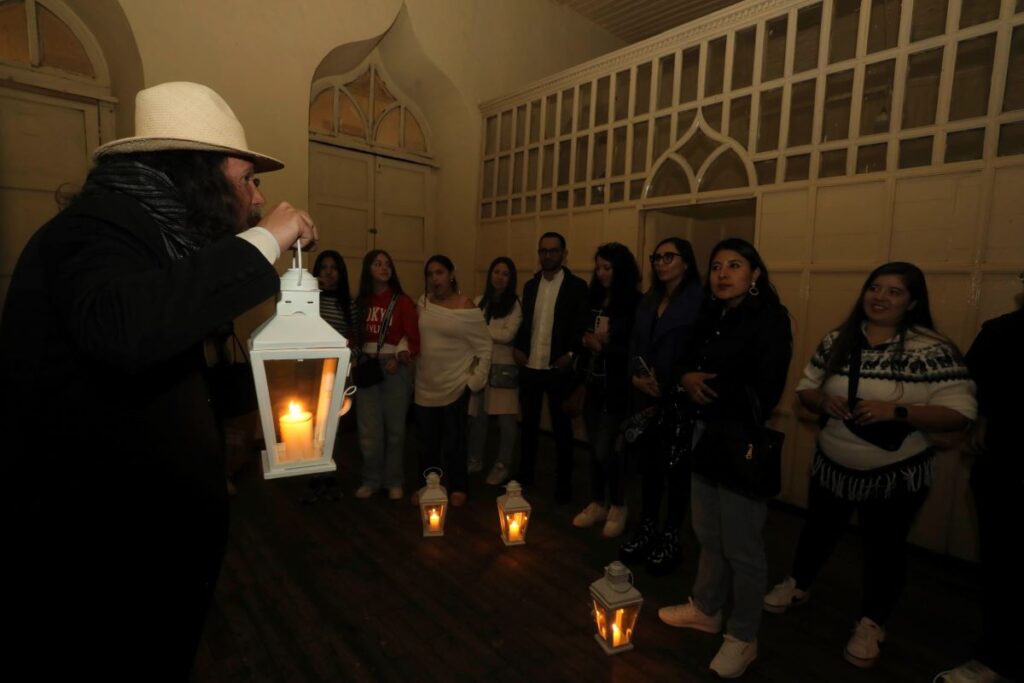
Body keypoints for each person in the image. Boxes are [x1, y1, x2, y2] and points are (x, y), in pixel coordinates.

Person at [0, 81, 317, 676]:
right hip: (96, 566)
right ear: (196, 172)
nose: (258, 196)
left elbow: (170, 383)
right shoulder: (90, 231)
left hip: (148, 559)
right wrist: (265, 240)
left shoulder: (155, 248)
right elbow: (122, 331)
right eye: (249, 178)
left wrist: (291, 389)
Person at [762, 261, 976, 671]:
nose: (880, 297)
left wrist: (896, 411)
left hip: (896, 471)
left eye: (894, 291)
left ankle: (872, 622)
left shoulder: (931, 348)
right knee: (818, 531)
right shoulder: (838, 340)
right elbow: (806, 388)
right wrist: (824, 402)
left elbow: (959, 413)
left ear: (913, 301)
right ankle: (799, 584)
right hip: (832, 463)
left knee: (885, 547)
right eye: (874, 288)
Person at [658, 238, 792, 679]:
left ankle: (743, 636)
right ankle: (706, 608)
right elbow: (682, 359)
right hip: (703, 432)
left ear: (755, 274)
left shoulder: (770, 319)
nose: (723, 273)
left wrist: (705, 383)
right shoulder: (712, 313)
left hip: (741, 441)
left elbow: (766, 389)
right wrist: (685, 376)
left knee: (744, 546)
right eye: (716, 266)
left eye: (735, 265)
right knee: (707, 531)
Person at [938, 272, 1022, 683]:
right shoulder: (1001, 332)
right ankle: (996, 657)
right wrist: (980, 421)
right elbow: (966, 392)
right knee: (1004, 568)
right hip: (1005, 471)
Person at [618, 237, 703, 574]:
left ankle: (671, 538)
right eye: (657, 257)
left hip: (680, 400)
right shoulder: (649, 300)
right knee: (650, 470)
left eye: (670, 257)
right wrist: (636, 377)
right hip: (646, 397)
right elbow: (635, 345)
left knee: (677, 474)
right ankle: (647, 528)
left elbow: (697, 350)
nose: (662, 262)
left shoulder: (699, 301)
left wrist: (670, 381)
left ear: (686, 262)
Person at [571, 243, 642, 538]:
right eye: (598, 267)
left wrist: (606, 344)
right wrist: (586, 340)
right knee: (595, 447)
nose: (601, 273)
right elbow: (577, 329)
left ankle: (618, 504)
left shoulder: (635, 302)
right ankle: (598, 501)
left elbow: (636, 347)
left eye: (607, 267)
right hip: (592, 383)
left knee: (609, 448)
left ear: (620, 269)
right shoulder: (594, 296)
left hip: (617, 386)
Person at [513, 232, 589, 503]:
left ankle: (564, 483)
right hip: (531, 366)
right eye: (543, 250)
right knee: (529, 426)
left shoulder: (577, 287)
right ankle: (525, 475)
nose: (548, 255)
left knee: (561, 430)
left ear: (564, 254)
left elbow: (581, 325)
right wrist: (518, 348)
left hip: (557, 368)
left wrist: (570, 354)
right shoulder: (530, 286)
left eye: (553, 250)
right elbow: (528, 323)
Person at [414, 255, 492, 506]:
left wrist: (474, 381)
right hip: (425, 383)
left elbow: (485, 347)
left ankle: (458, 486)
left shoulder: (466, 306)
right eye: (429, 274)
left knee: (454, 442)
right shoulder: (423, 303)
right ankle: (429, 485)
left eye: (439, 272)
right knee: (427, 443)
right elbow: (415, 335)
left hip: (456, 385)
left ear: (451, 274)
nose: (434, 278)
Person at [354, 249, 419, 500]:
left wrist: (400, 358)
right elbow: (354, 335)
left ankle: (394, 480)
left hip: (394, 367)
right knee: (369, 429)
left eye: (388, 264)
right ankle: (371, 479)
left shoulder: (402, 301)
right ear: (368, 269)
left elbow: (414, 338)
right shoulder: (361, 302)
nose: (384, 268)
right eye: (378, 264)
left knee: (395, 429)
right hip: (367, 366)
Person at [467, 257, 523, 486]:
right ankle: (475, 458)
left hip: (504, 368)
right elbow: (469, 332)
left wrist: (481, 331)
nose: (500, 277)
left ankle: (503, 463)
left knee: (506, 419)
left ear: (511, 279)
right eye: (496, 272)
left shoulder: (515, 304)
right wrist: (488, 332)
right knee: (477, 417)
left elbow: (508, 335)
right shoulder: (479, 301)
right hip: (480, 366)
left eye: (505, 274)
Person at [313, 249, 359, 342]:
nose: (328, 272)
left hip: (338, 355)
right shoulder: (308, 300)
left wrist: (348, 355)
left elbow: (358, 342)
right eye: (323, 267)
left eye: (334, 268)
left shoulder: (349, 305)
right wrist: (311, 284)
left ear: (340, 272)